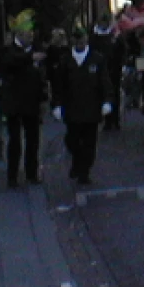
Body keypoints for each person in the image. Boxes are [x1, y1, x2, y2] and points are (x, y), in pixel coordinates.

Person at [52, 23, 114, 185]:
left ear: (87, 39)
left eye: (82, 38)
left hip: (91, 108)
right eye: (76, 38)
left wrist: (107, 101)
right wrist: (57, 104)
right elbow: (59, 85)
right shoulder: (65, 60)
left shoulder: (97, 59)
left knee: (89, 143)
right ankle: (78, 162)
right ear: (72, 40)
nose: (80, 42)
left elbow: (105, 82)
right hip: (72, 109)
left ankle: (84, 172)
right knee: (71, 140)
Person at [0, 9, 48, 188]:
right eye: (28, 32)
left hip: (32, 101)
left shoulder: (37, 49)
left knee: (33, 139)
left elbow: (42, 76)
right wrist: (29, 58)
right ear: (19, 33)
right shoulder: (9, 49)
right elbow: (10, 62)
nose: (32, 35)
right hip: (14, 101)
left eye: (32, 32)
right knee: (14, 140)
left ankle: (31, 173)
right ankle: (12, 176)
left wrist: (43, 98)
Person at [89, 14, 125, 131]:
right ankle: (107, 120)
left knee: (114, 94)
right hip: (100, 70)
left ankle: (115, 120)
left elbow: (121, 50)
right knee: (102, 94)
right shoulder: (94, 36)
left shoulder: (115, 35)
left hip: (114, 69)